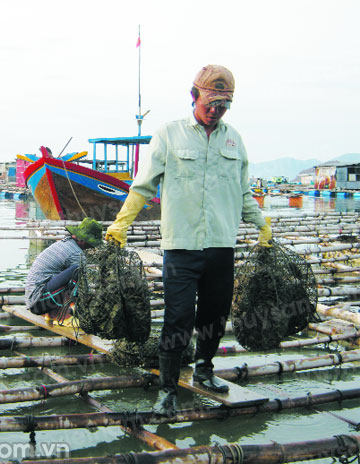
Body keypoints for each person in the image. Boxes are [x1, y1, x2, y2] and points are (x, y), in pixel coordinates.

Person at [106, 64, 272, 416]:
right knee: (177, 318)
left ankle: (204, 371)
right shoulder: (169, 134)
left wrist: (262, 224)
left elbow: (244, 192)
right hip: (180, 248)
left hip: (221, 246)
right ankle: (168, 387)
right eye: (210, 102)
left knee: (215, 316)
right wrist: (120, 225)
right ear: (194, 95)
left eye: (223, 104)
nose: (215, 110)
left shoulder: (234, 140)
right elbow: (143, 186)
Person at [25, 217, 102, 320]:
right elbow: (83, 287)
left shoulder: (65, 243)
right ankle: (59, 315)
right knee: (77, 271)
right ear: (83, 240)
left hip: (34, 300)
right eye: (91, 244)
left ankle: (53, 312)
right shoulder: (76, 254)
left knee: (72, 277)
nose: (91, 247)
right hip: (38, 302)